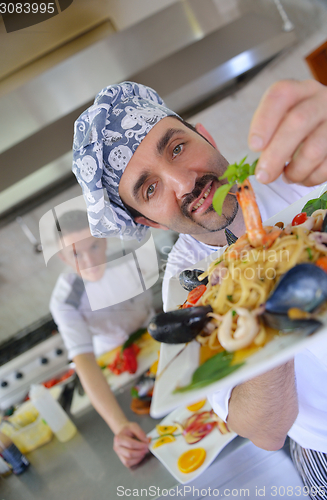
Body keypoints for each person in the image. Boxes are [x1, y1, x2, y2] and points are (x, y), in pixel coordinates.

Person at [71, 80, 327, 496]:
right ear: (148, 222)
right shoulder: (187, 287)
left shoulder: (307, 168)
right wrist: (261, 312)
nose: (183, 182)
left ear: (204, 135)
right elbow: (265, 433)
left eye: (176, 148)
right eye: (150, 189)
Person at [49, 209, 153, 468]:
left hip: (153, 336)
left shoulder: (131, 259)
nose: (89, 260)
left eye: (94, 246)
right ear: (63, 257)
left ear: (104, 240)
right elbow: (83, 360)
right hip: (116, 359)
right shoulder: (65, 299)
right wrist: (120, 426)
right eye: (76, 253)